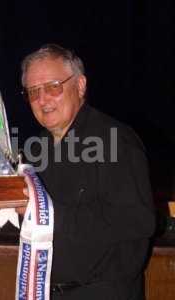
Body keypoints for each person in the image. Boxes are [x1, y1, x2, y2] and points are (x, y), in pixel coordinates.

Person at [20, 44, 156, 299]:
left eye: (53, 87)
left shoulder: (115, 140)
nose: (42, 99)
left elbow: (137, 220)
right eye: (33, 91)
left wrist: (47, 213)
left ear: (80, 86)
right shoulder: (35, 149)